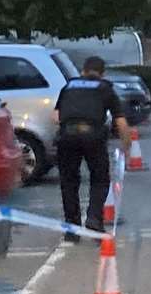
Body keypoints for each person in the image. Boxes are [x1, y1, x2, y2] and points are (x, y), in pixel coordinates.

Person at [54, 55, 131, 238]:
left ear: (83, 71)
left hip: (67, 135)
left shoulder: (68, 86)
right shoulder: (106, 89)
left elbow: (55, 117)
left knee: (69, 182)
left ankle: (71, 228)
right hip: (93, 136)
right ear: (102, 73)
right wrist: (126, 146)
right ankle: (94, 219)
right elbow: (120, 122)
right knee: (99, 179)